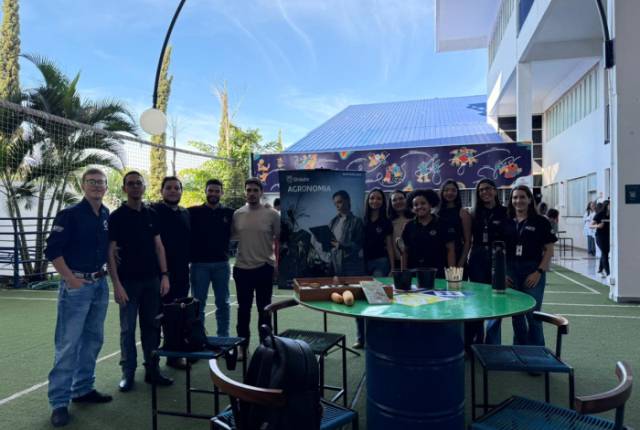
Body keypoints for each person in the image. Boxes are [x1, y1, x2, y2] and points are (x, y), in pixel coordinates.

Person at [44, 169, 112, 427]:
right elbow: (52, 250)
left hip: (99, 285)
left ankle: (83, 389)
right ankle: (59, 402)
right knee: (68, 344)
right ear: (83, 186)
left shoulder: (105, 214)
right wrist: (70, 279)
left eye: (101, 182)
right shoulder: (69, 214)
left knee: (93, 340)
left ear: (106, 187)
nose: (97, 186)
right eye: (91, 181)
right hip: (76, 287)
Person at [107, 171, 173, 392]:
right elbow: (110, 252)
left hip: (152, 281)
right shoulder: (116, 217)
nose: (135, 186)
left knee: (152, 327)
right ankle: (128, 373)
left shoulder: (152, 214)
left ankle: (152, 370)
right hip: (127, 284)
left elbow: (159, 246)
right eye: (131, 183)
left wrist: (164, 275)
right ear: (124, 188)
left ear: (144, 187)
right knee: (127, 330)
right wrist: (116, 284)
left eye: (138, 183)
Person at [503, 185, 556, 346]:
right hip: (511, 270)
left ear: (529, 200)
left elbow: (549, 250)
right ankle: (520, 350)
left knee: (533, 315)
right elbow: (499, 250)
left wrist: (538, 272)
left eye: (522, 197)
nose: (518, 200)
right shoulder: (506, 221)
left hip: (532, 269)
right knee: (516, 315)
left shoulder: (541, 222)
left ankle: (538, 354)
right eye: (515, 197)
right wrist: (503, 273)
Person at [232, 178, 280, 353]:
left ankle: (265, 346)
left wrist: (276, 264)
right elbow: (232, 237)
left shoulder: (273, 214)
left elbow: (279, 239)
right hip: (242, 269)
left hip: (264, 268)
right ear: (245, 192)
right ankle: (242, 347)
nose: (251, 193)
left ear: (261, 192)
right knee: (243, 311)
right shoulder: (237, 214)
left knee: (264, 310)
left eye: (255, 190)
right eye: (248, 190)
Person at [151, 176, 191, 370]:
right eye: (169, 188)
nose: (173, 191)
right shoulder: (153, 211)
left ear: (181, 191)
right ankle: (152, 363)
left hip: (182, 273)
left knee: (178, 314)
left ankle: (175, 355)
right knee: (158, 316)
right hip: (160, 274)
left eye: (177, 188)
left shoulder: (185, 213)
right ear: (162, 191)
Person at [189, 179, 234, 337]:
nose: (213, 194)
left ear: (222, 193)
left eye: (217, 191)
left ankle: (223, 337)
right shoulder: (192, 212)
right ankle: (199, 338)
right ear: (205, 192)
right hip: (199, 265)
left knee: (223, 303)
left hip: (222, 265)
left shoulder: (230, 213)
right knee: (197, 305)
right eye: (210, 191)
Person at [468, 179, 509, 345]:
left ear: (495, 191)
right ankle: (476, 342)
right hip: (477, 257)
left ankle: (492, 344)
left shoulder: (506, 212)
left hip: (498, 257)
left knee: (497, 300)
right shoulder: (473, 213)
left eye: (488, 189)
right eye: (481, 190)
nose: (485, 192)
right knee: (478, 299)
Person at [355, 188, 394, 348]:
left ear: (383, 202)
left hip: (380, 263)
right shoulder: (361, 220)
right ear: (368, 200)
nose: (375, 201)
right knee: (359, 299)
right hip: (361, 264)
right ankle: (360, 338)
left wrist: (392, 267)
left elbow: (390, 245)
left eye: (378, 198)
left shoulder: (386, 222)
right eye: (372, 198)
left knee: (376, 299)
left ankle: (376, 339)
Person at [401, 189, 456, 276]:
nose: (419, 207)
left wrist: (452, 273)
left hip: (438, 273)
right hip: (414, 273)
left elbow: (450, 250)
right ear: (412, 208)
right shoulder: (409, 226)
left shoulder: (444, 224)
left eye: (423, 203)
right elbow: (405, 252)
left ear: (430, 205)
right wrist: (403, 272)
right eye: (416, 205)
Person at [438, 180, 472, 270]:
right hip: (438, 257)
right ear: (442, 192)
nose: (450, 193)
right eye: (446, 190)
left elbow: (467, 241)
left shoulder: (463, 213)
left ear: (457, 193)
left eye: (453, 190)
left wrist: (461, 263)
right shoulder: (436, 213)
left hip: (457, 256)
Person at [329, 190, 364, 276]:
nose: (337, 206)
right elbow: (329, 240)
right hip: (334, 263)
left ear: (347, 201)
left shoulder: (356, 221)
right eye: (335, 203)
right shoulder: (333, 222)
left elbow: (359, 244)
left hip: (350, 265)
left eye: (339, 202)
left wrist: (341, 245)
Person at [388, 190, 413, 270]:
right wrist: (392, 268)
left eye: (401, 198)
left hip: (415, 262)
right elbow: (390, 246)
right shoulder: (389, 222)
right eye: (394, 200)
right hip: (397, 263)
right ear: (391, 203)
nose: (398, 202)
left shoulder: (415, 218)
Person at [592, 200, 610, 278]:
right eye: (610, 205)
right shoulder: (600, 214)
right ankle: (608, 273)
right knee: (605, 253)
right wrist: (598, 226)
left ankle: (600, 270)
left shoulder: (612, 214)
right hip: (600, 236)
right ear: (606, 206)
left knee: (605, 253)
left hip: (608, 237)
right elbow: (591, 225)